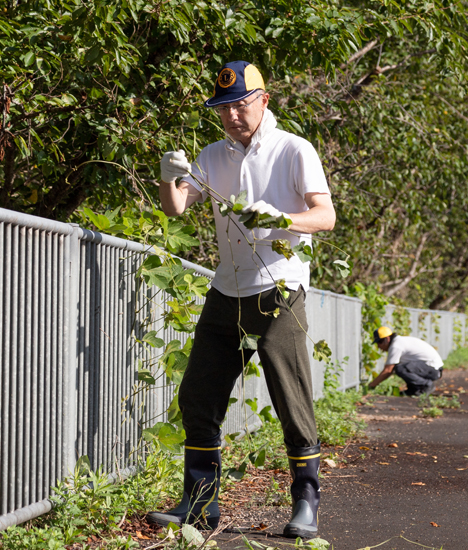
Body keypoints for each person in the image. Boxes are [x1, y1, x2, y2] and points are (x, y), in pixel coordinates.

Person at [150, 60, 336, 539]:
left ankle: (306, 501)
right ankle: (200, 503)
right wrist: (167, 173)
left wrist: (279, 217)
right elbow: (175, 208)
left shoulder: (294, 150)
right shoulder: (213, 156)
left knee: (290, 399)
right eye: (223, 108)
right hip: (227, 288)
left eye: (240, 104)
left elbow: (325, 216)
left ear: (264, 100)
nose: (232, 115)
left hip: (279, 288)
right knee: (197, 396)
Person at [366, 326, 444, 396]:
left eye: (380, 342)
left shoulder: (396, 346)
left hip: (433, 369)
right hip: (430, 368)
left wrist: (371, 386)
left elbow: (388, 370)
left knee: (399, 368)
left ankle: (426, 385)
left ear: (387, 339)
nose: (379, 346)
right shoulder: (399, 342)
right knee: (401, 367)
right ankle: (413, 390)